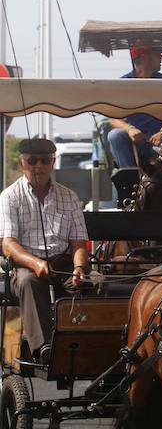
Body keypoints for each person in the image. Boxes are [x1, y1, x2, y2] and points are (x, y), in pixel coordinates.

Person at [0, 139, 89, 365]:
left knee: (96, 283)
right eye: (32, 161)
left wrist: (79, 267)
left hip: (62, 264)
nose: (38, 166)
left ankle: (94, 340)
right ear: (22, 163)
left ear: (53, 163)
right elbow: (8, 244)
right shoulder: (9, 196)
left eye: (45, 160)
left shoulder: (68, 196)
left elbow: (79, 242)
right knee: (28, 281)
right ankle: (44, 347)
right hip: (24, 266)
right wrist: (35, 263)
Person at [107, 43, 162, 168]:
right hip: (135, 142)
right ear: (145, 57)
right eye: (157, 54)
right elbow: (113, 118)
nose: (161, 58)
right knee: (114, 135)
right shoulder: (123, 84)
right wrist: (130, 129)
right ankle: (131, 179)